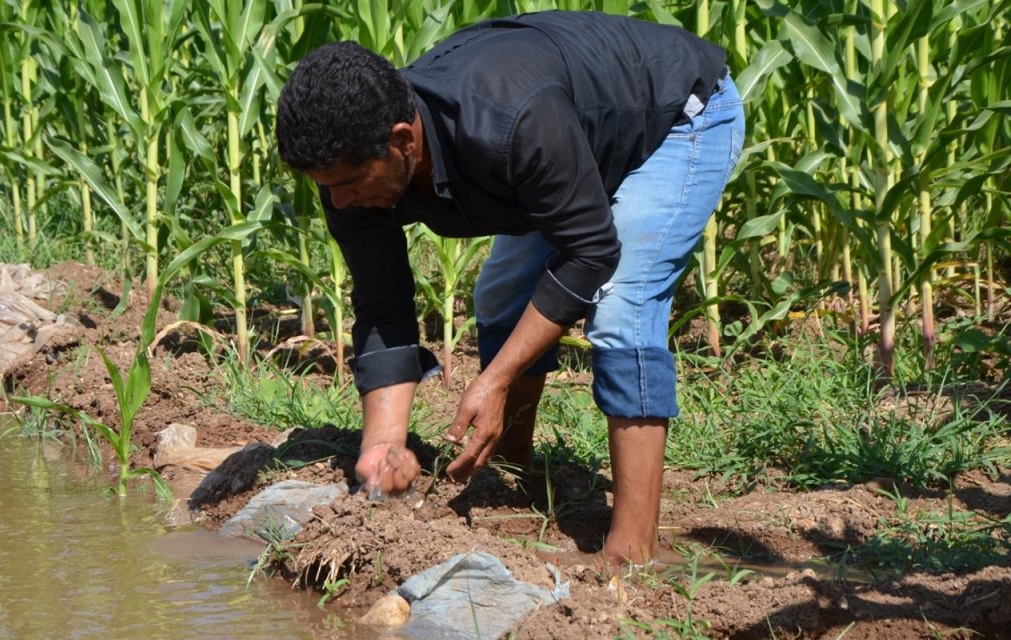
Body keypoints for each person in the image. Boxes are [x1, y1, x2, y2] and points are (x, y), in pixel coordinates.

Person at [275, 10, 744, 569]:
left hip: (675, 117)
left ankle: (631, 554)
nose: (341, 202)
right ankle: (514, 474)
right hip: (572, 140)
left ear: (403, 140)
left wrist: (494, 378)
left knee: (623, 304)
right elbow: (382, 301)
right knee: (501, 296)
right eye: (329, 190)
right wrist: (383, 447)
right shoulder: (350, 170)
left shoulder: (508, 120)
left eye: (350, 186)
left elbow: (592, 252)